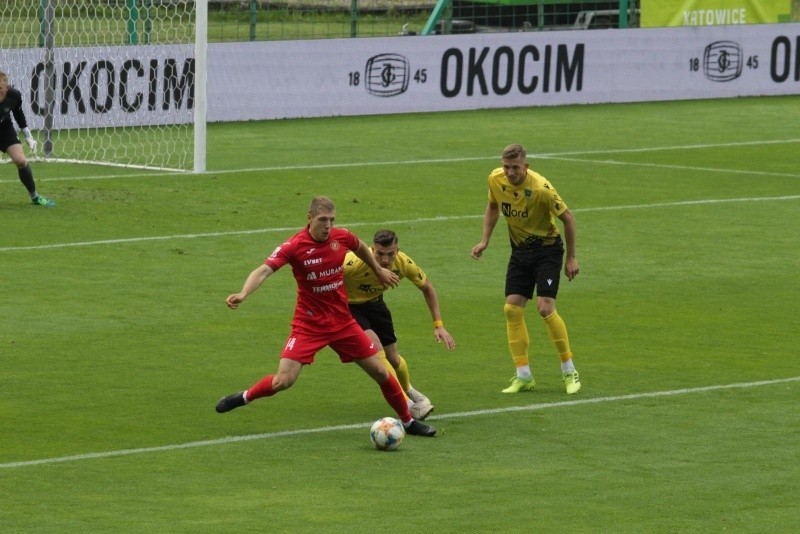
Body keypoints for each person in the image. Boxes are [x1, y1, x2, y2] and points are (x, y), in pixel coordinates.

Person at [215, 196, 436, 437]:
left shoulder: (341, 237)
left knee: (381, 372)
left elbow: (361, 246)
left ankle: (408, 422)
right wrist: (244, 293)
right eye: (323, 220)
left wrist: (378, 270)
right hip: (309, 325)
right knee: (284, 381)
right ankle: (244, 397)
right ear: (309, 219)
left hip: (343, 322)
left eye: (332, 219)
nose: (328, 225)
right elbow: (264, 270)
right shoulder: (294, 246)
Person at [471, 143, 581, 395]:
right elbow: (492, 207)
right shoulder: (495, 179)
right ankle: (523, 375)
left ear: (526, 166)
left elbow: (568, 219)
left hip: (547, 251)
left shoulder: (541, 188)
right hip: (520, 252)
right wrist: (484, 240)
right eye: (506, 167)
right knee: (511, 309)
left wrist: (571, 258)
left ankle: (569, 370)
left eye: (515, 168)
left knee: (545, 308)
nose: (510, 173)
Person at [344, 229, 456, 420]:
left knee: (393, 359)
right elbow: (325, 275)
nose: (385, 260)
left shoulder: (403, 263)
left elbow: (427, 288)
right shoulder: (353, 263)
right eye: (379, 254)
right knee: (376, 350)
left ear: (397, 251)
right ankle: (407, 403)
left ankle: (410, 390)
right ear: (372, 249)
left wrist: (439, 324)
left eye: (390, 254)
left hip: (376, 305)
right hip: (350, 308)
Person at [0, 71, 55, 207]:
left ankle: (35, 196)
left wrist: (28, 136)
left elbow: (18, 113)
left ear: (7, 87)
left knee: (21, 161)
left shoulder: (14, 96)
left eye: (0, 89)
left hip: (4, 128)